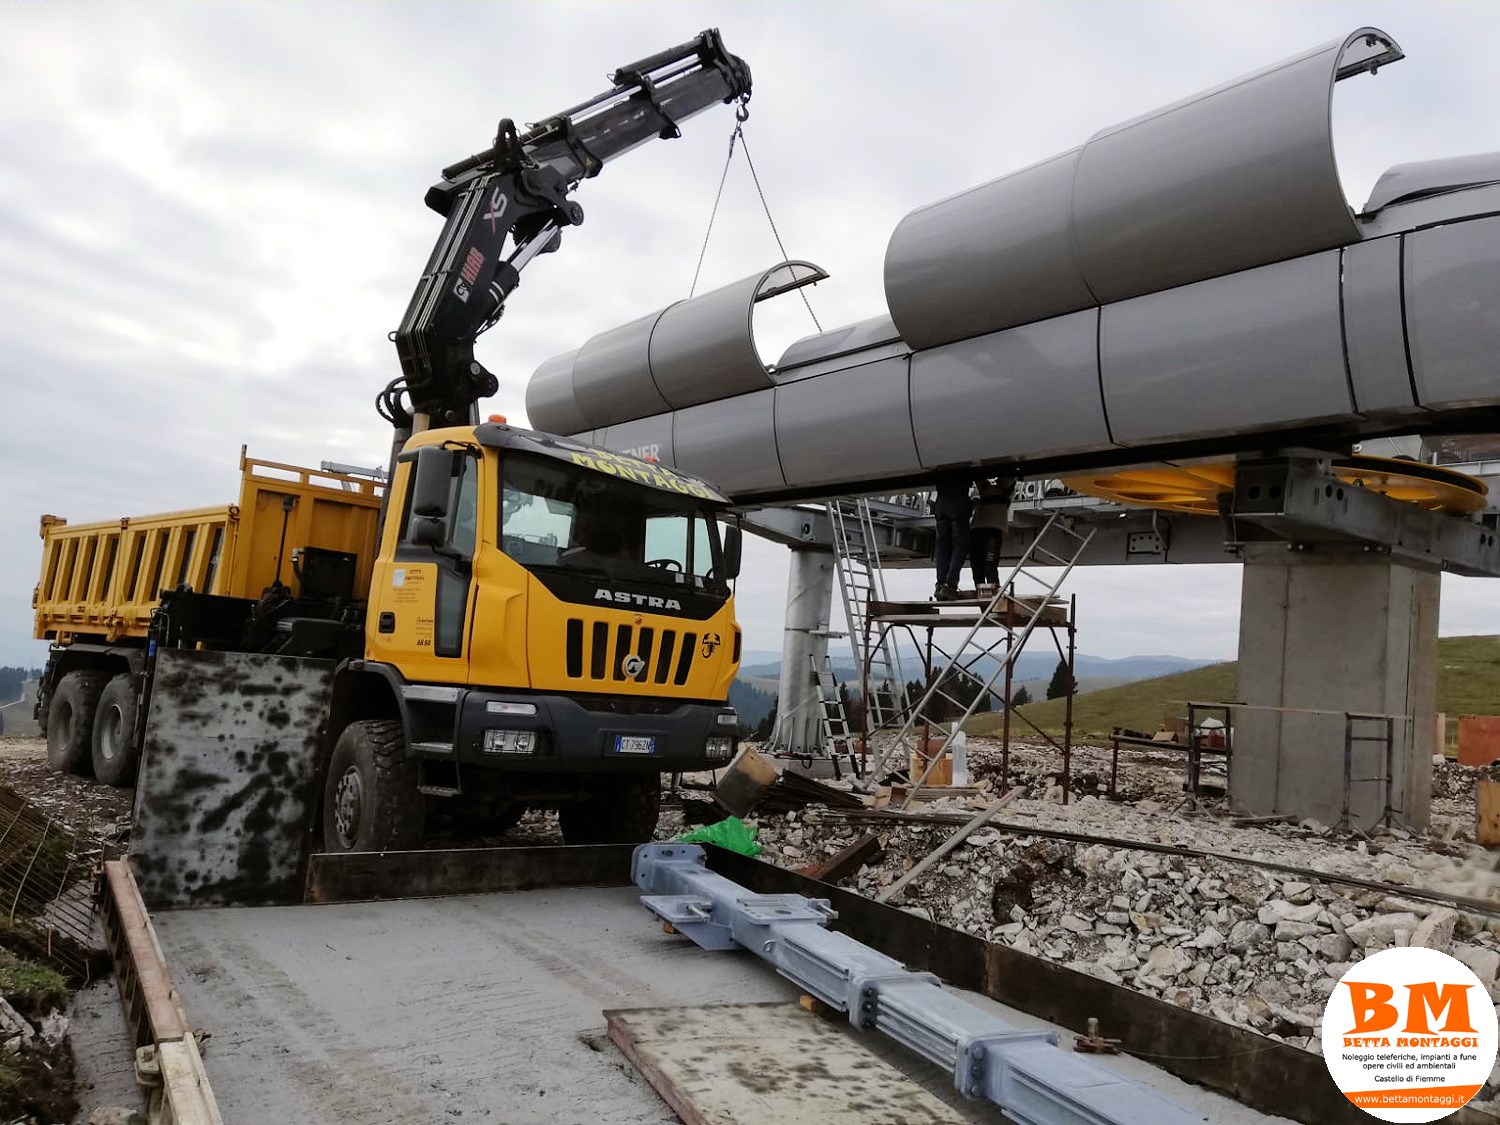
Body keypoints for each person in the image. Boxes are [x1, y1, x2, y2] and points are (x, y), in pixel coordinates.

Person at [969, 476, 1017, 599]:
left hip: (981, 529)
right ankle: (992, 599)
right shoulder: (1006, 489)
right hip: (993, 529)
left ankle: (986, 599)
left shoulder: (990, 488)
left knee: (979, 567)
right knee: (988, 566)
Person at [930, 472, 972, 601]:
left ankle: (940, 584)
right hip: (958, 500)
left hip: (941, 503)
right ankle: (950, 584)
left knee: (943, 546)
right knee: (959, 545)